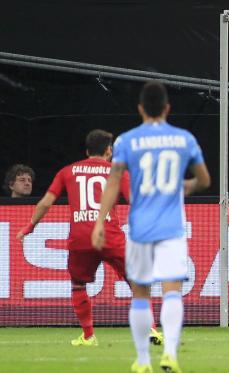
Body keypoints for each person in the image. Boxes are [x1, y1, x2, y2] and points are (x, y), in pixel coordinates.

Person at [92, 81, 211, 373]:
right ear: (168, 108)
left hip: (141, 227)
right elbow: (205, 181)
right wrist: (187, 185)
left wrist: (99, 221)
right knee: (172, 290)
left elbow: (114, 183)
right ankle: (170, 353)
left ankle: (143, 360)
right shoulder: (185, 139)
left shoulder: (125, 141)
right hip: (171, 227)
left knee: (141, 293)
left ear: (141, 108)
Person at [16, 129, 163, 347]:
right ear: (109, 150)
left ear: (87, 150)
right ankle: (150, 329)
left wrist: (29, 227)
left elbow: (46, 202)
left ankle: (88, 336)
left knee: (78, 285)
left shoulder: (68, 171)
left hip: (81, 237)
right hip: (109, 235)